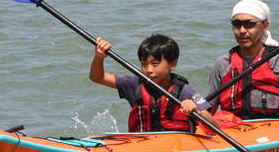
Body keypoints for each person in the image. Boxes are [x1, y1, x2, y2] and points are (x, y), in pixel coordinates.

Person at [90, 33, 220, 133]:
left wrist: (197, 110)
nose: (148, 70)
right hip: (143, 145)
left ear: (173, 64)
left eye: (155, 64)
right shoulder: (134, 83)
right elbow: (98, 77)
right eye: (144, 64)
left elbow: (216, 128)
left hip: (176, 148)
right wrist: (99, 57)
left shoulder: (184, 91)